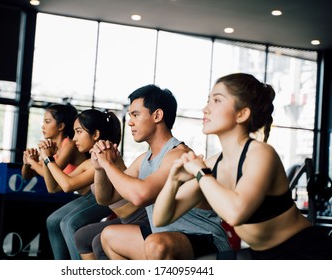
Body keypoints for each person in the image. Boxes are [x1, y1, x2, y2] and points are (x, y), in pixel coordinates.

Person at [153, 73, 332, 259]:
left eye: (216, 100)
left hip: (305, 252)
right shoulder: (213, 164)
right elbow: (161, 218)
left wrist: (200, 173)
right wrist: (173, 180)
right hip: (262, 255)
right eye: (208, 100)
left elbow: (236, 213)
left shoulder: (261, 154)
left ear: (241, 114)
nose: (205, 109)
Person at [90, 84, 230, 260]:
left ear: (157, 115)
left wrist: (108, 164)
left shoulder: (178, 155)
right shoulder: (144, 159)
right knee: (110, 236)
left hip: (204, 239)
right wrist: (99, 168)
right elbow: (106, 198)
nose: (130, 121)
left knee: (156, 244)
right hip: (164, 238)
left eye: (135, 114)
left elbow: (140, 195)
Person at [38, 109, 121, 260]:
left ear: (95, 135)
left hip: (110, 202)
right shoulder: (89, 161)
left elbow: (67, 185)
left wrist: (49, 159)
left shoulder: (105, 156)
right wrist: (46, 159)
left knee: (69, 223)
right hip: (94, 198)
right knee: (53, 221)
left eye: (78, 132)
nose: (74, 138)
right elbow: (53, 187)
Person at [21, 103, 85, 180]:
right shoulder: (52, 148)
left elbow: (50, 174)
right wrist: (26, 163)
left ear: (61, 126)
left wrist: (31, 161)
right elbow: (27, 176)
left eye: (47, 122)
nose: (43, 126)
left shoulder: (69, 145)